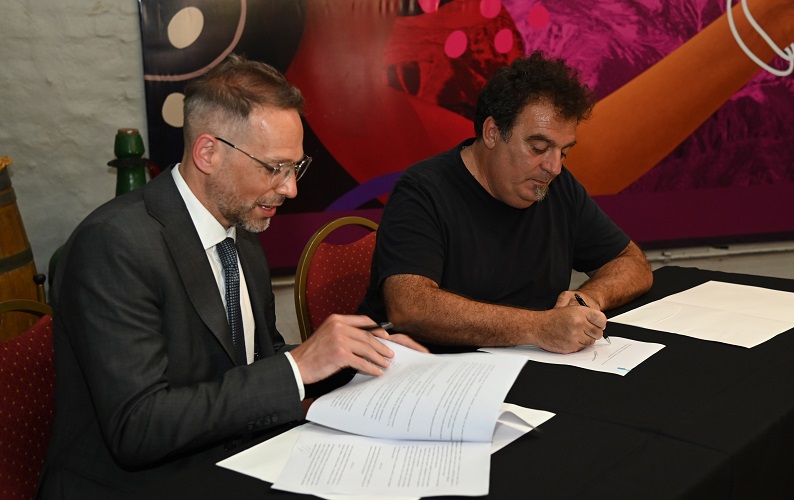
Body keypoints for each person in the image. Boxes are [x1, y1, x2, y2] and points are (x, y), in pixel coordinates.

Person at [38, 54, 424, 499]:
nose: (290, 188)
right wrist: (297, 366)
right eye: (274, 167)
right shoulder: (113, 245)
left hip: (230, 461)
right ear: (208, 153)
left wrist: (358, 354)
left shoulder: (239, 229)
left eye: (295, 167)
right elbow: (138, 427)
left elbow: (257, 362)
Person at [358, 51, 653, 354]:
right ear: (492, 133)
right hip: (427, 369)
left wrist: (590, 297)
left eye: (564, 152)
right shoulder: (423, 190)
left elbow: (631, 262)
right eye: (538, 148)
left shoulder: (557, 186)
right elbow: (410, 307)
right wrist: (538, 327)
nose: (554, 167)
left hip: (525, 366)